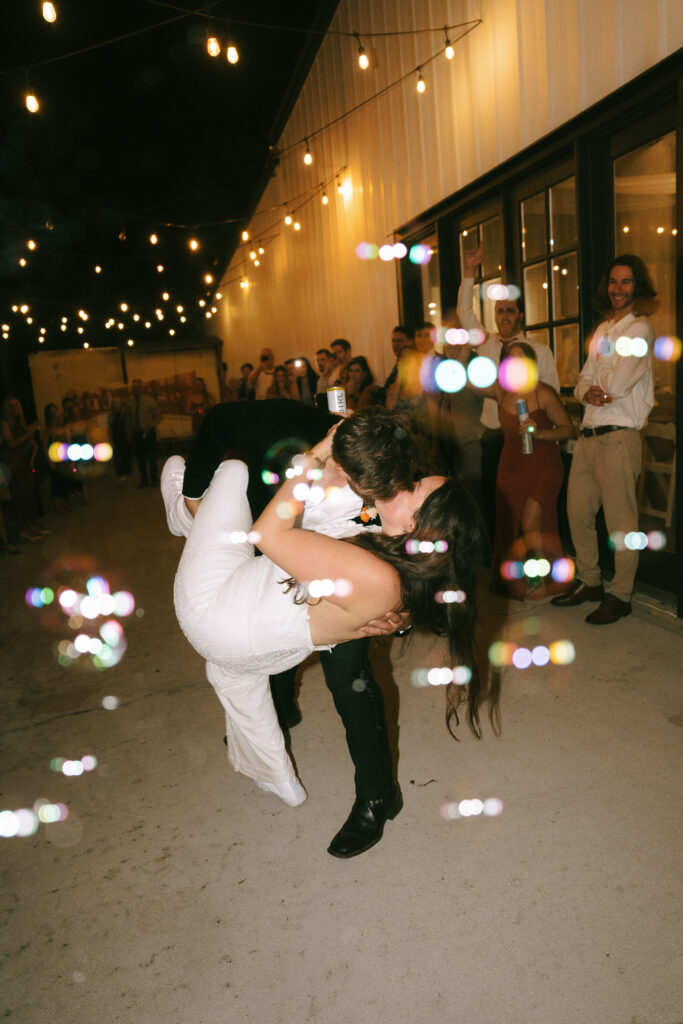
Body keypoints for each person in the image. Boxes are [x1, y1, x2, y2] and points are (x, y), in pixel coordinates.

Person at [164, 404, 484, 856]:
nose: (396, 488)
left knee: (350, 681)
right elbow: (270, 525)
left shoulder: (383, 484)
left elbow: (403, 560)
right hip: (272, 565)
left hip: (316, 579)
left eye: (413, 484)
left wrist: (397, 617)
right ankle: (277, 708)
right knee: (265, 617)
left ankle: (377, 795)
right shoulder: (285, 434)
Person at [551, 255, 658, 625]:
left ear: (637, 287)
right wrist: (587, 390)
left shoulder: (640, 331)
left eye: (626, 282)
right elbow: (581, 381)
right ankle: (591, 582)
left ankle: (621, 595)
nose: (618, 289)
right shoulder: (602, 331)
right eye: (613, 282)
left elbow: (614, 384)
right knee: (577, 513)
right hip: (588, 437)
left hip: (619, 438)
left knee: (621, 525)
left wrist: (598, 377)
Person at [457, 242, 560, 539]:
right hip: (494, 436)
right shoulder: (487, 344)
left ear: (520, 315)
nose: (504, 315)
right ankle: (499, 564)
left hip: (530, 437)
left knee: (530, 506)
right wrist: (469, 272)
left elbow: (550, 390)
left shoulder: (539, 350)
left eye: (510, 310)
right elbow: (464, 312)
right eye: (499, 310)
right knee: (496, 504)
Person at [470, 342, 574, 599]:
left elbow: (569, 430)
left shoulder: (543, 393)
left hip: (544, 464)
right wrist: (457, 357)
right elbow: (467, 383)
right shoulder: (500, 390)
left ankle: (540, 576)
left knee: (531, 521)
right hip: (511, 465)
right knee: (507, 521)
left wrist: (539, 432)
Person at [385, 322, 444, 474]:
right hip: (400, 442)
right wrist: (399, 374)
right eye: (402, 360)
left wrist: (435, 446)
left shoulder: (425, 383)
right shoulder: (396, 385)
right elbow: (389, 407)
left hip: (422, 441)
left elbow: (434, 416)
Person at [0, 396, 46, 542]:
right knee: (19, 495)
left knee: (29, 494)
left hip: (25, 462)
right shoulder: (5, 423)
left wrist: (32, 459)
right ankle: (23, 529)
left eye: (16, 405)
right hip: (14, 462)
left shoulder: (21, 422)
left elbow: (32, 444)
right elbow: (11, 444)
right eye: (11, 406)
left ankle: (31, 525)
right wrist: (29, 432)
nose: (14, 408)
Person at [126, 379, 161, 488]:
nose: (136, 388)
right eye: (134, 387)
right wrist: (129, 433)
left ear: (142, 388)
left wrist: (150, 425)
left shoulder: (149, 400)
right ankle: (144, 480)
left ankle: (154, 480)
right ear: (132, 389)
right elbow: (128, 419)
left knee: (151, 458)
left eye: (138, 386)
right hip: (136, 434)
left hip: (148, 433)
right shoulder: (129, 403)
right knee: (140, 459)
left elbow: (158, 416)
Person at [382, 326, 413, 396]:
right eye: (393, 341)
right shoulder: (397, 363)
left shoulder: (412, 362)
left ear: (410, 342)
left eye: (399, 341)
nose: (395, 345)